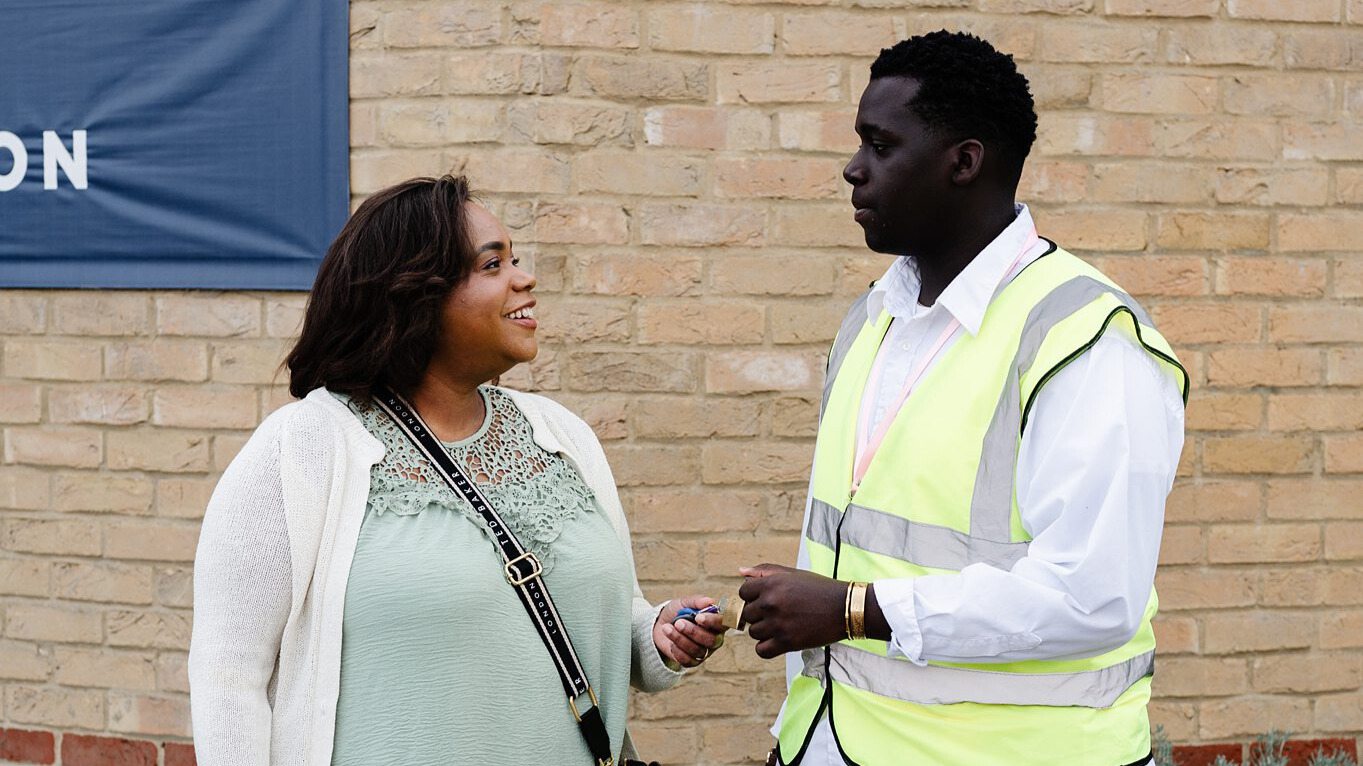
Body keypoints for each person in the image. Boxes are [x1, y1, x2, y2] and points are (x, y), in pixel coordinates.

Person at [737, 31, 1188, 766]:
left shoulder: (1089, 343)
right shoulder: (874, 317)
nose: (852, 169)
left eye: (880, 145)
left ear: (963, 162)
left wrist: (853, 608)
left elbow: (1091, 597)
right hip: (833, 739)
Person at [188, 175, 725, 766]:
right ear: (415, 293)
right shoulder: (301, 451)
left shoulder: (562, 438)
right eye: (492, 264)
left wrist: (658, 637)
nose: (525, 278)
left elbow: (599, 628)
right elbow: (229, 680)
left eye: (515, 259)